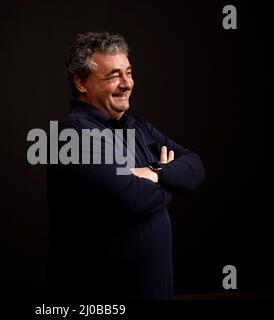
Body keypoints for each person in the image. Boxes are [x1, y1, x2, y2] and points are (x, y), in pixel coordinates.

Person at [46, 32, 205, 300]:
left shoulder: (137, 126)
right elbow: (130, 198)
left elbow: (195, 167)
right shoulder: (68, 136)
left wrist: (155, 173)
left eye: (128, 73)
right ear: (81, 82)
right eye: (113, 76)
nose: (127, 84)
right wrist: (169, 184)